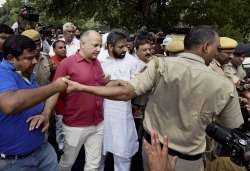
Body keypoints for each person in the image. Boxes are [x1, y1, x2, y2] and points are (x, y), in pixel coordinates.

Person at [64, 25, 244, 171]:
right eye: (216, 47)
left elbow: (127, 91)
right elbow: (232, 127)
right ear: (205, 47)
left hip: (151, 150)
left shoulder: (159, 65)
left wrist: (83, 88)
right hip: (188, 160)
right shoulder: (224, 84)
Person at [0, 35, 69, 171]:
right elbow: (9, 104)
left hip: (42, 151)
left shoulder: (26, 72)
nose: (35, 61)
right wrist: (55, 86)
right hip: (15, 161)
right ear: (10, 58)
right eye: (29, 58)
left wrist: (45, 113)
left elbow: (41, 96)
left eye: (35, 56)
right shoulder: (2, 73)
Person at [43, 30, 105, 171]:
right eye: (95, 45)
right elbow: (54, 91)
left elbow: (97, 87)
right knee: (67, 163)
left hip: (98, 122)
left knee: (93, 165)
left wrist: (104, 82)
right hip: (75, 124)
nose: (99, 49)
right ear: (82, 44)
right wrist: (46, 114)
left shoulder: (97, 63)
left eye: (100, 46)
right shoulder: (67, 64)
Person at [98, 30, 138, 171]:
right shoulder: (99, 60)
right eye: (121, 47)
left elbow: (133, 88)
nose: (125, 50)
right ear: (110, 46)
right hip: (100, 117)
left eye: (126, 46)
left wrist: (108, 85)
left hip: (122, 118)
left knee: (123, 158)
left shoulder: (132, 62)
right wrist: (117, 83)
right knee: (97, 159)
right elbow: (93, 85)